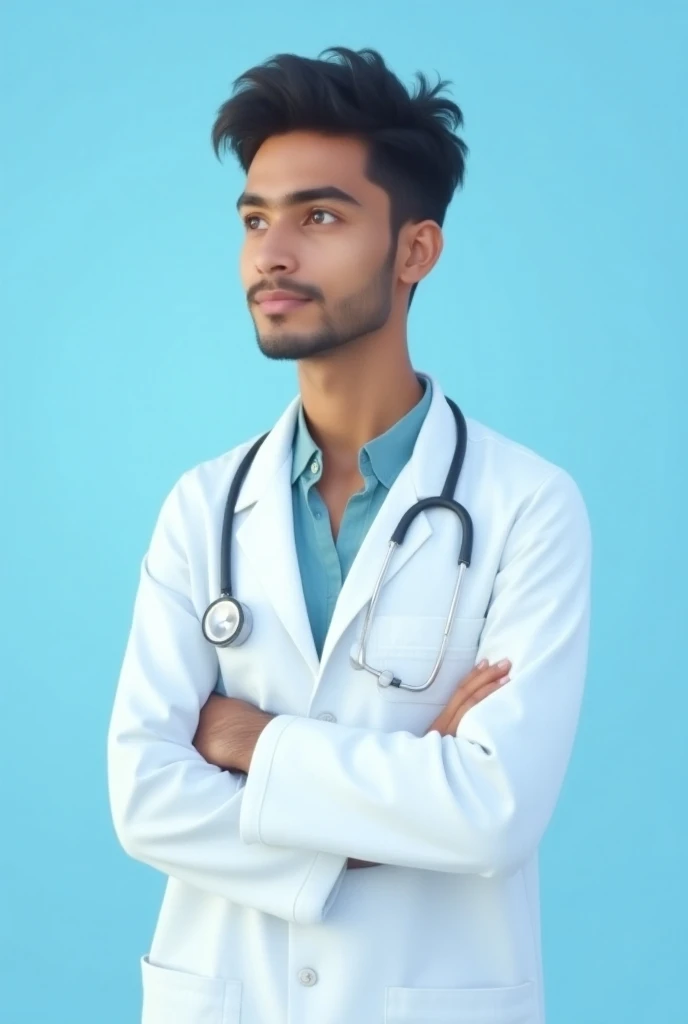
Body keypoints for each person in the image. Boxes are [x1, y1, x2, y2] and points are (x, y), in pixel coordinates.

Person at [107, 46, 592, 1024]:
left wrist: (256, 739)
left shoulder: (528, 506)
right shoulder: (201, 506)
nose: (271, 253)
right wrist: (397, 805)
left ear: (415, 251)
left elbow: (493, 812)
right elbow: (145, 794)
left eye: (318, 216)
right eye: (254, 218)